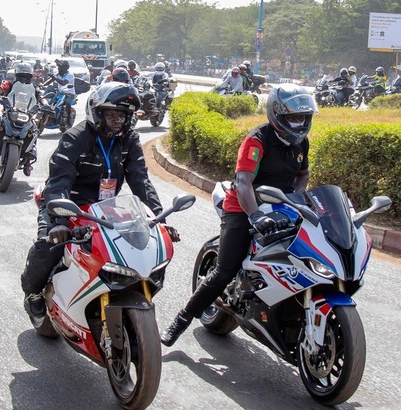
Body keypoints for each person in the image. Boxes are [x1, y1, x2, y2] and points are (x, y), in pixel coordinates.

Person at [160, 84, 317, 346]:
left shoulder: (301, 142)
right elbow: (244, 182)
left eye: (302, 118)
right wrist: (255, 215)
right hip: (244, 206)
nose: (299, 124)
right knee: (224, 270)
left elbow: (303, 175)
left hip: (280, 207)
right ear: (277, 114)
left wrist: (296, 198)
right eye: (292, 118)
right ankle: (181, 319)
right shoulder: (256, 140)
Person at [20, 81, 179, 316]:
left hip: (105, 207)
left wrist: (159, 218)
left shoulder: (129, 140)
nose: (118, 120)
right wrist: (59, 222)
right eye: (111, 114)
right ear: (97, 113)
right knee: (49, 244)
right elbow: (59, 181)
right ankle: (32, 292)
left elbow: (140, 181)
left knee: (135, 244)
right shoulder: (75, 138)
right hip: (65, 203)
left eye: (123, 115)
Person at [44, 59, 76, 126]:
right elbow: (50, 81)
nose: (58, 68)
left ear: (65, 67)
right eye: (58, 66)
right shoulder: (57, 74)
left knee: (67, 102)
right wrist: (42, 85)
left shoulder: (70, 75)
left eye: (60, 67)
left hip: (69, 94)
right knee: (49, 101)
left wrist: (54, 78)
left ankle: (69, 118)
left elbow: (63, 83)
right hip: (60, 93)